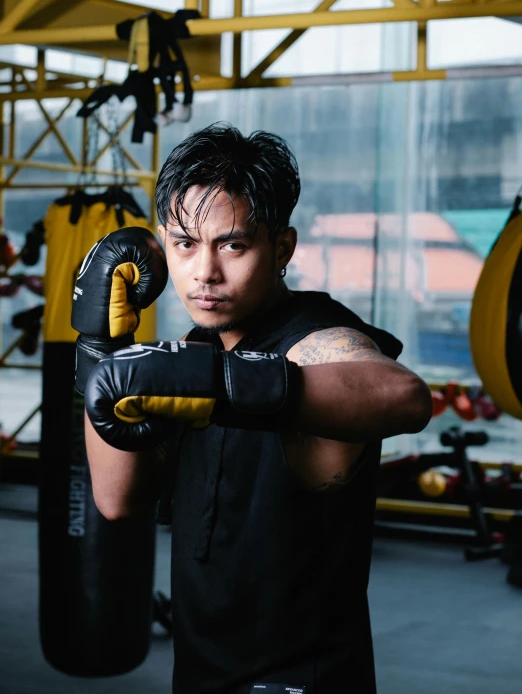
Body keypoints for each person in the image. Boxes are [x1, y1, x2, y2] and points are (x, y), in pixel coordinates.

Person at [79, 123, 432, 694]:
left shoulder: (314, 336)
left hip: (302, 681)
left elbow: (407, 397)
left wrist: (225, 384)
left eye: (233, 245)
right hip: (200, 671)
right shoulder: (192, 353)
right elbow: (117, 500)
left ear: (282, 249)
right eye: (184, 244)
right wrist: (102, 355)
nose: (204, 272)